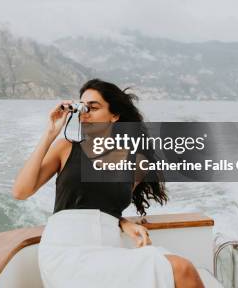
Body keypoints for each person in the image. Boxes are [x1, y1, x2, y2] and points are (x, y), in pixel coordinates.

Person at [12, 78, 205, 288]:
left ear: (114, 115)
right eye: (82, 107)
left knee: (179, 269)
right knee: (180, 268)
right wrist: (50, 133)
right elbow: (21, 191)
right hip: (65, 250)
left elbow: (106, 204)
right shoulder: (66, 147)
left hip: (108, 247)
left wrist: (122, 222)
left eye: (93, 107)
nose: (85, 113)